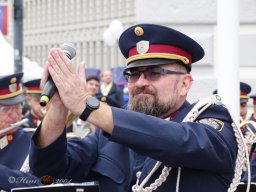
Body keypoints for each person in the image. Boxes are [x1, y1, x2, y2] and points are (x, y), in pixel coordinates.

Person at [29, 24, 239, 192]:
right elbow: (49, 173)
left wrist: (87, 105)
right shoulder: (107, 136)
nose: (140, 83)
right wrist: (58, 109)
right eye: (133, 74)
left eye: (154, 74)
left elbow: (180, 141)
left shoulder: (210, 121)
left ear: (184, 84)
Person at [0, 73, 40, 191]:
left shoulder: (35, 141)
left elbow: (44, 183)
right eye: (6, 109)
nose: (15, 115)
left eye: (18, 107)